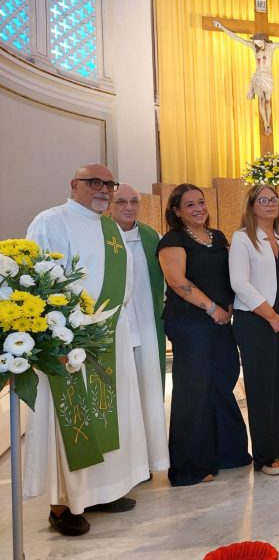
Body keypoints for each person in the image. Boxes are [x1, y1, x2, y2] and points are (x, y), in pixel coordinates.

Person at [25, 164, 149, 536]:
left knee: (112, 415)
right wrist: (57, 335)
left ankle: (102, 491)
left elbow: (122, 283)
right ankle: (63, 505)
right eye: (94, 182)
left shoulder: (111, 227)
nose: (103, 190)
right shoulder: (51, 221)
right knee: (71, 421)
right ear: (74, 184)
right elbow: (39, 280)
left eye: (107, 184)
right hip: (69, 339)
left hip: (111, 334)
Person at [157, 184, 251, 486]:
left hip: (221, 322)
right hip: (190, 323)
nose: (198, 208)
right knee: (194, 390)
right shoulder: (172, 240)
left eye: (201, 202)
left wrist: (231, 306)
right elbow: (176, 280)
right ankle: (190, 465)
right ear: (176, 211)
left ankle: (228, 452)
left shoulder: (218, 237)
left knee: (222, 382)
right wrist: (212, 308)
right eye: (190, 205)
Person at [230, 185, 279, 475]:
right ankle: (265, 453)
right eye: (264, 200)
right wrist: (272, 316)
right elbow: (239, 283)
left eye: (274, 200)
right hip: (256, 322)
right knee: (262, 388)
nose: (271, 204)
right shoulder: (242, 239)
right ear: (251, 205)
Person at [109, 184, 170, 473]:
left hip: (146, 325)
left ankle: (148, 460)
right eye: (122, 201)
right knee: (120, 394)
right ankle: (121, 465)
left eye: (134, 202)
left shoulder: (152, 237)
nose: (129, 207)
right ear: (110, 204)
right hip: (114, 328)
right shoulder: (100, 234)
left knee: (147, 390)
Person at [212, 20, 279, 135]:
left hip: (268, 78)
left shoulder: (272, 47)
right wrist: (221, 27)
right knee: (261, 100)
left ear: (263, 40)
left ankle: (268, 123)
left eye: (259, 42)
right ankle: (266, 124)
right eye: (256, 43)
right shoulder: (254, 47)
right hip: (258, 77)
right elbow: (237, 38)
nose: (258, 45)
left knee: (268, 102)